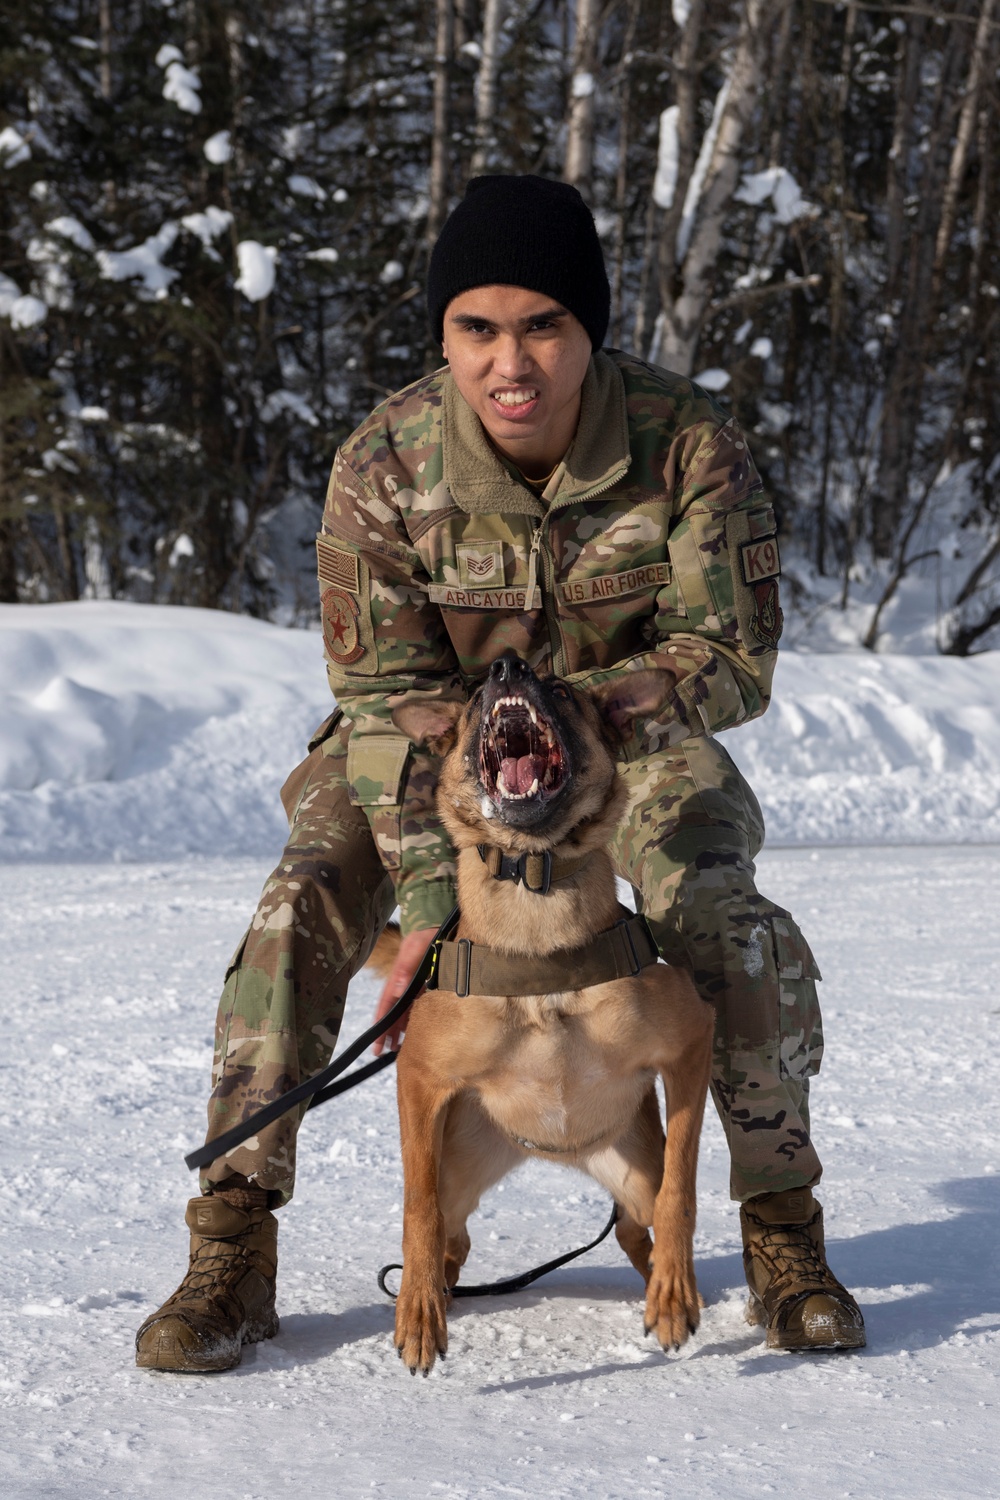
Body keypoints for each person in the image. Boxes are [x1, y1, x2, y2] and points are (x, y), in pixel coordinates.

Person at [136, 174, 865, 1371]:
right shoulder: (384, 462)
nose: (509, 362)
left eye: (543, 325)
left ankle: (779, 1225)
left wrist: (607, 708)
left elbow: (735, 658)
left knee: (720, 913)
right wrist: (435, 904)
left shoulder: (687, 444)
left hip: (632, 746)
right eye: (476, 328)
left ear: (590, 330)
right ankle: (233, 1242)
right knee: (302, 895)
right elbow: (380, 698)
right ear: (444, 336)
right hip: (425, 756)